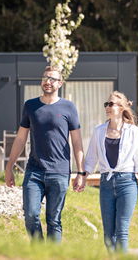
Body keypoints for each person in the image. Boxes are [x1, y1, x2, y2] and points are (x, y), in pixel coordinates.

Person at [5, 66, 85, 243]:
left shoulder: (68, 107)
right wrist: (9, 166)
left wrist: (81, 172)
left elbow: (77, 142)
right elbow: (20, 138)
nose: (48, 81)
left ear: (60, 83)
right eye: (45, 78)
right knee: (31, 215)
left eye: (52, 79)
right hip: (35, 171)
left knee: (53, 220)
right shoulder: (30, 106)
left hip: (60, 172)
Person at [81, 91, 138, 253]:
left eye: (111, 104)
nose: (107, 107)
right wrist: (83, 177)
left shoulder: (133, 131)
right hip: (106, 183)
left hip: (127, 184)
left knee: (122, 232)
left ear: (121, 107)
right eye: (107, 104)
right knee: (108, 234)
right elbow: (91, 158)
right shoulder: (99, 131)